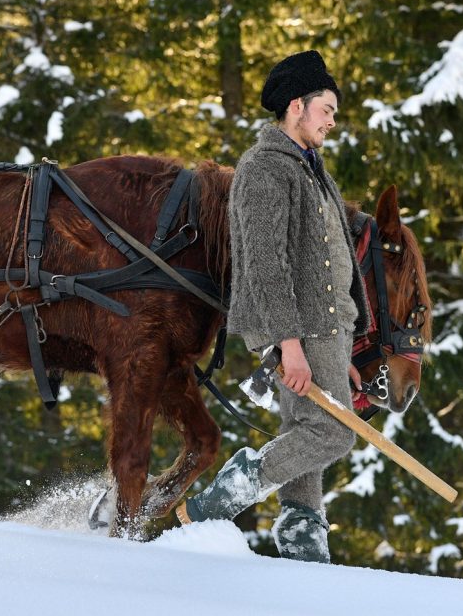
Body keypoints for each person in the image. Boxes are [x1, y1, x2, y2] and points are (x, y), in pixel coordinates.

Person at [177, 50, 370, 563]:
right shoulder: (265, 167)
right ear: (295, 106)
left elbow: (327, 257)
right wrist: (287, 344)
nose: (332, 119)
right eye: (325, 108)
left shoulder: (310, 168)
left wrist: (341, 349)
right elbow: (265, 263)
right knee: (332, 432)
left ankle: (303, 534)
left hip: (327, 328)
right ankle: (230, 492)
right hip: (299, 328)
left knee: (303, 429)